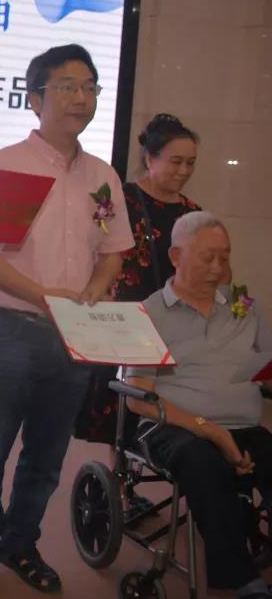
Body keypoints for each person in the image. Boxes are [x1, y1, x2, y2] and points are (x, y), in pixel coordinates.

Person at [0, 44, 134, 599]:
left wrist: (94, 292)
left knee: (47, 458)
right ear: (34, 99)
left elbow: (114, 251)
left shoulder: (102, 175)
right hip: (9, 331)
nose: (81, 98)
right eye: (67, 87)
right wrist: (47, 297)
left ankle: (19, 543)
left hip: (73, 338)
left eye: (90, 88)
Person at [125, 211, 272, 599]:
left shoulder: (243, 303)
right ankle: (242, 580)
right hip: (173, 427)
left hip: (243, 426)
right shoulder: (150, 313)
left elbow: (267, 366)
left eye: (225, 257)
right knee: (204, 463)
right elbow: (139, 398)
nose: (219, 268)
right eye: (207, 258)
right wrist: (212, 431)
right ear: (175, 256)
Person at [75, 114, 200, 446]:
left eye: (190, 163)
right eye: (175, 161)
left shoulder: (193, 214)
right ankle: (118, 471)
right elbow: (93, 252)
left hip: (173, 324)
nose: (184, 171)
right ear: (150, 158)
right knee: (120, 411)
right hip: (126, 320)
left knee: (166, 410)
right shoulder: (120, 201)